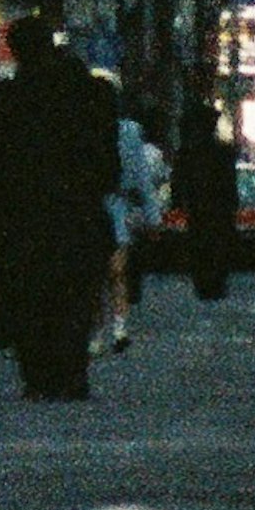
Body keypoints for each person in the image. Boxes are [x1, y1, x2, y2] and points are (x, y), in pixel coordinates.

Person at [0, 11, 123, 398]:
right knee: (74, 296)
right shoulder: (91, 95)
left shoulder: (2, 101)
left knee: (29, 297)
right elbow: (109, 162)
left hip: (19, 217)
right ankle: (71, 371)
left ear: (16, 51)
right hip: (79, 210)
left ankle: (38, 374)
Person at [176, 76, 241, 304]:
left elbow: (179, 182)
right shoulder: (223, 152)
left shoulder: (188, 153)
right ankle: (215, 282)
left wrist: (180, 202)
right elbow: (230, 182)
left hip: (200, 208)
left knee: (202, 245)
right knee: (217, 245)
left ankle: (205, 282)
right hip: (218, 209)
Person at [109, 101, 166, 351]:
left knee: (114, 270)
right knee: (114, 271)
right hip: (110, 206)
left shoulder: (128, 132)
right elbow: (143, 179)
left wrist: (153, 216)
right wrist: (153, 218)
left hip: (113, 206)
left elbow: (141, 176)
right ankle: (109, 326)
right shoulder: (129, 132)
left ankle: (118, 326)